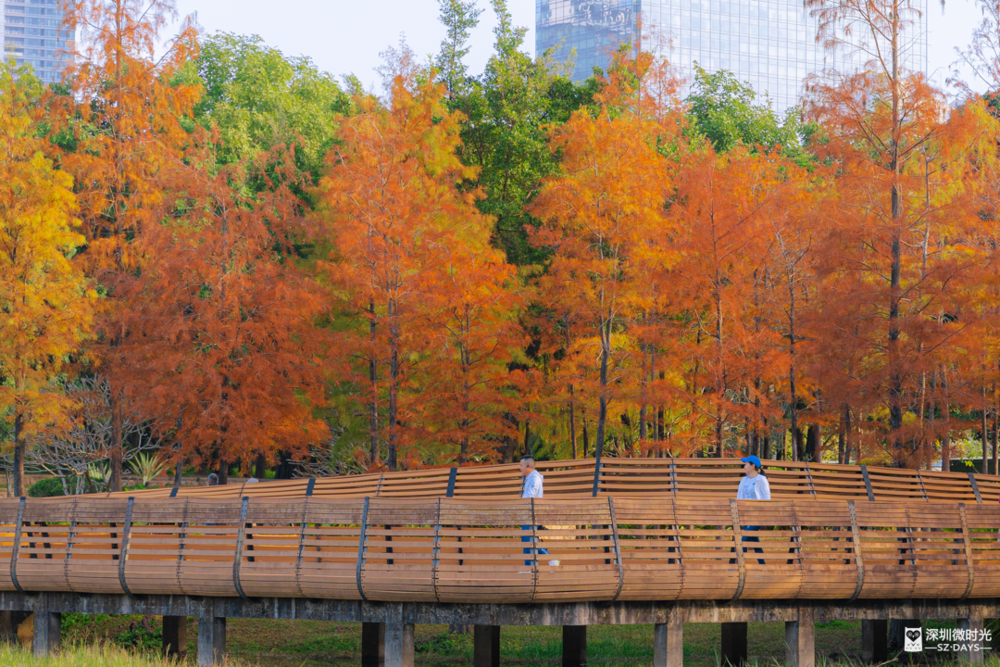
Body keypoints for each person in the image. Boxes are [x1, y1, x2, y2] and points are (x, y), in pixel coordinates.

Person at [520, 456, 559, 567]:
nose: (520, 468)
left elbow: (529, 497)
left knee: (530, 542)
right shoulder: (530, 478)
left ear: (529, 466)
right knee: (527, 542)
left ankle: (551, 560)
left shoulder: (534, 479)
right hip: (527, 514)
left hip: (531, 515)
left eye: (521, 465)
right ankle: (531, 568)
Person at [737, 455, 770, 564]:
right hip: (746, 516)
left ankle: (736, 564)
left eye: (746, 464)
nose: (744, 467)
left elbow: (766, 499)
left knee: (743, 540)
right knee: (754, 541)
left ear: (753, 465)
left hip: (758, 516)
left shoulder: (762, 480)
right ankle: (763, 567)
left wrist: (761, 515)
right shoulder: (743, 480)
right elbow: (739, 498)